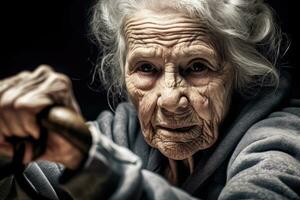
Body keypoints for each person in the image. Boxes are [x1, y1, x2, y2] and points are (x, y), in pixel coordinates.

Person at [0, 0, 300, 199]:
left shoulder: (282, 143)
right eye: (146, 68)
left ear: (238, 73)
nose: (170, 99)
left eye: (197, 67)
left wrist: (90, 166)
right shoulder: (119, 133)